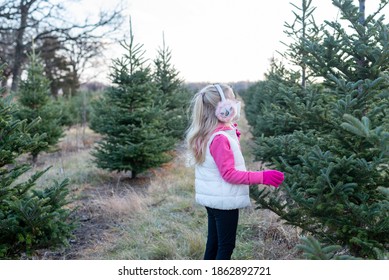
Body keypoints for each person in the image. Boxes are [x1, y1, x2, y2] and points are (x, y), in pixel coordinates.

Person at [186, 83, 285, 260]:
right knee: (225, 246)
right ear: (221, 107)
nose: (236, 102)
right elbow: (229, 174)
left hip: (214, 198)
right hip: (224, 201)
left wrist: (231, 135)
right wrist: (263, 176)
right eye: (232, 98)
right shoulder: (219, 138)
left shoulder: (210, 133)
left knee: (214, 242)